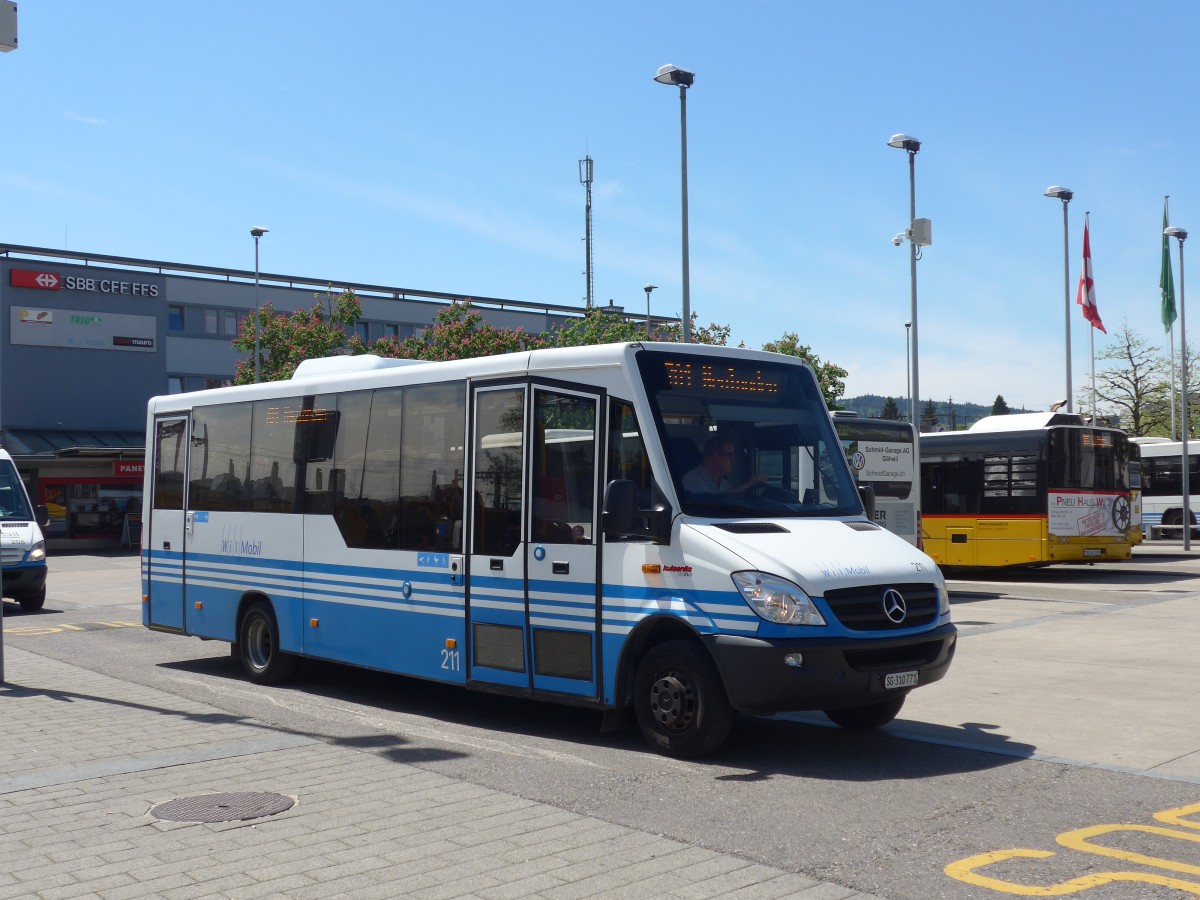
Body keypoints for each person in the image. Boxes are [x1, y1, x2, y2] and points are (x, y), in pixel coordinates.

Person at [682, 435, 767, 495]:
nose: (734, 461)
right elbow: (712, 504)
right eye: (730, 456)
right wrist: (748, 485)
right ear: (715, 456)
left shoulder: (724, 484)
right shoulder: (691, 480)